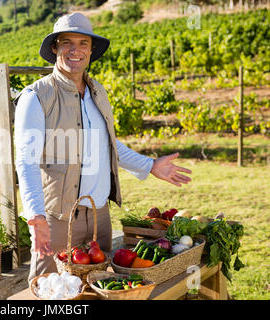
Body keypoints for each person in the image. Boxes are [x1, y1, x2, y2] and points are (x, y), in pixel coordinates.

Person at [13, 12, 192, 284]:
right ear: (55, 48)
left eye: (83, 43)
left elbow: (107, 144)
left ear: (91, 49)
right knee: (50, 290)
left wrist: (150, 165)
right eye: (67, 43)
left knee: (97, 288)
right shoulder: (37, 96)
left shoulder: (98, 92)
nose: (75, 50)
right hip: (59, 219)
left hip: (99, 217)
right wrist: (36, 216)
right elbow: (25, 161)